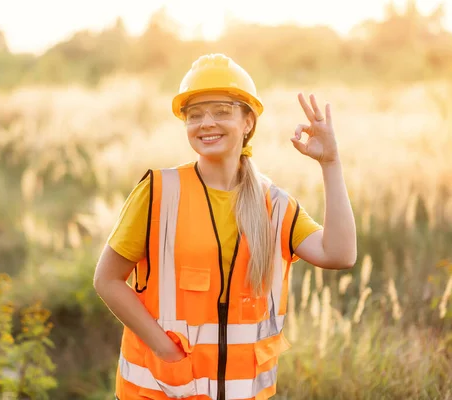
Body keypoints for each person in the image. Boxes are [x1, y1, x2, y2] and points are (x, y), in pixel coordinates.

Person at [93, 53, 357, 400]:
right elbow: (107, 280)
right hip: (161, 390)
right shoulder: (158, 191)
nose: (206, 123)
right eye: (195, 114)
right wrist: (165, 350)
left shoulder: (274, 205)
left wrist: (331, 163)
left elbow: (339, 254)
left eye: (221, 110)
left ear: (248, 121)